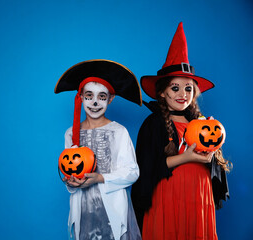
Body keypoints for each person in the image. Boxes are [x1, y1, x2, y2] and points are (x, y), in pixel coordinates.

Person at [130, 22, 230, 240]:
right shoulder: (153, 124)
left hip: (198, 196)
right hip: (168, 197)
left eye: (188, 88)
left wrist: (211, 157)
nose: (182, 94)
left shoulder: (202, 122)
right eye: (174, 88)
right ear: (163, 93)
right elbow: (147, 169)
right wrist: (185, 157)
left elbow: (216, 168)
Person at [55, 60, 142, 240]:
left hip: (113, 211)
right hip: (84, 213)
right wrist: (71, 182)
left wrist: (101, 178)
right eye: (89, 96)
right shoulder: (71, 133)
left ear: (110, 99)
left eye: (102, 97)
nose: (95, 102)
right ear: (80, 97)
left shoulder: (119, 132)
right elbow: (69, 167)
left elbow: (132, 172)